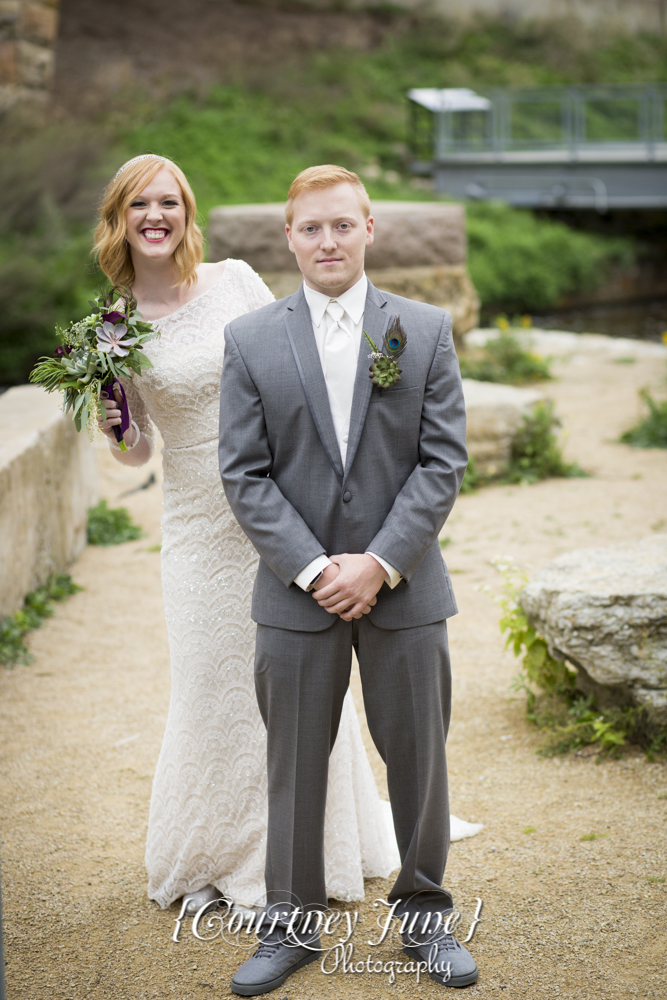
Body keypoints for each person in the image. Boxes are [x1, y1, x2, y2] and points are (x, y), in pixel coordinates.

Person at [94, 154, 401, 918]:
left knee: (300, 682)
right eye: (140, 205)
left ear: (186, 212)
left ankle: (309, 853)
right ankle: (222, 854)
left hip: (279, 508)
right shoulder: (111, 326)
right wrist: (114, 425)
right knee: (211, 684)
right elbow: (136, 451)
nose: (155, 216)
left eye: (169, 202)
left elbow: (298, 371)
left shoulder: (233, 280)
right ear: (120, 219)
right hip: (197, 526)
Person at [219, 164, 479, 994]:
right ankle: (289, 924)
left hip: (404, 588)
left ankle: (426, 915)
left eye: (341, 225)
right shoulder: (251, 339)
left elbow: (442, 461)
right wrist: (311, 567)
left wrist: (380, 561)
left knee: (418, 759)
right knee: (292, 763)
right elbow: (244, 473)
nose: (326, 241)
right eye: (310, 228)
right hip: (296, 595)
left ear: (370, 230)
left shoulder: (425, 330)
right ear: (287, 236)